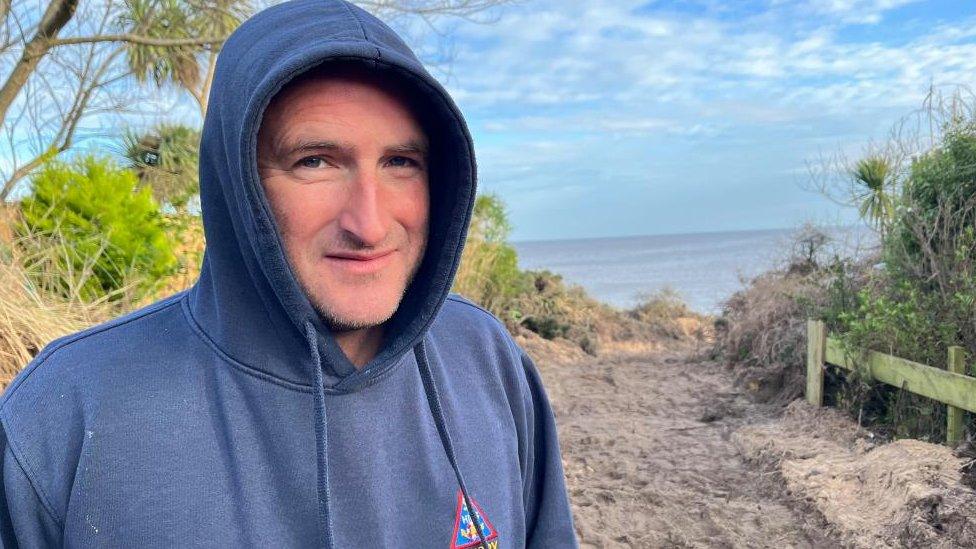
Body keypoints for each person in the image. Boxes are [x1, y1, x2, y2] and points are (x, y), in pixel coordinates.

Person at [0, 0, 578, 546]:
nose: (370, 225)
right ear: (238, 182)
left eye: (401, 162)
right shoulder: (62, 413)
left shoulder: (486, 359)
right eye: (316, 162)